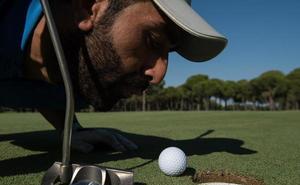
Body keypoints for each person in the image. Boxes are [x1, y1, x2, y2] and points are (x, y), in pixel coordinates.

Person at [0, 0, 227, 153]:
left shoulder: (81, 86)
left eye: (168, 52)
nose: (159, 75)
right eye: (153, 41)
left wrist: (69, 130)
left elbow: (50, 93)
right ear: (88, 7)